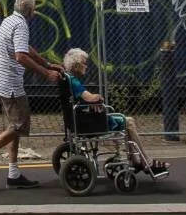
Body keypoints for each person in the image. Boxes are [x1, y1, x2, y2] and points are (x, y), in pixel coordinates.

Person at [0, 0, 62, 189]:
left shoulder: (9, 20)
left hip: (0, 81)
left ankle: (13, 175)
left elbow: (25, 48)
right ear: (29, 10)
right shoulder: (21, 25)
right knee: (19, 125)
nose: (35, 11)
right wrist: (46, 73)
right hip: (10, 84)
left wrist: (47, 63)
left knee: (14, 127)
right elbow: (21, 56)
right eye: (34, 8)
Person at [61, 47, 168, 176]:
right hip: (91, 123)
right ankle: (144, 161)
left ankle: (136, 160)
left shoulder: (68, 79)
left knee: (126, 122)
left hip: (82, 120)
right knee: (128, 121)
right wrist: (98, 97)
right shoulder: (75, 82)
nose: (87, 66)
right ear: (76, 65)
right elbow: (89, 97)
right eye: (84, 63)